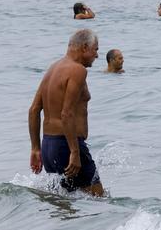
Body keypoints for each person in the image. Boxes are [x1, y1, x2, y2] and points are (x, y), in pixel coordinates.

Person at [28, 29, 104, 196]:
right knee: (99, 200)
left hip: (49, 146)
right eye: (96, 50)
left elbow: (34, 110)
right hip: (67, 146)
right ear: (84, 47)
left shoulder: (53, 68)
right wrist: (75, 152)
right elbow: (66, 114)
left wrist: (35, 148)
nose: (97, 55)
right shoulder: (77, 70)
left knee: (64, 206)